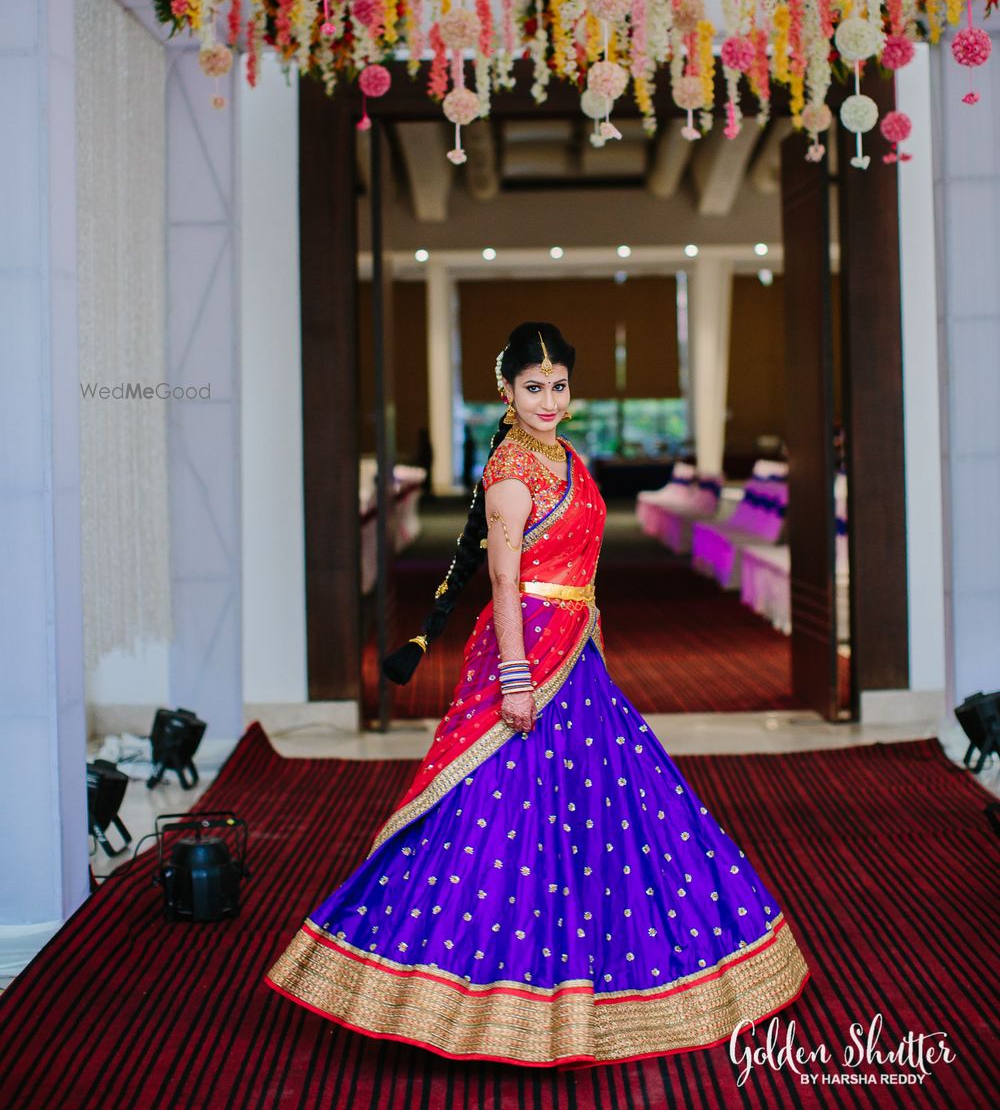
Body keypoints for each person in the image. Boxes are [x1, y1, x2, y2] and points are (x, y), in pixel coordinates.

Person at [264, 322, 811, 1066]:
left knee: (602, 808)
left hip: (575, 656)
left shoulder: (567, 457)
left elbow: (580, 570)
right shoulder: (513, 471)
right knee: (499, 812)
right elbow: (502, 580)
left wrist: (586, 643)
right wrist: (516, 676)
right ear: (506, 392)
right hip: (525, 659)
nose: (548, 400)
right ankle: (449, 985)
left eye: (557, 387)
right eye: (533, 387)